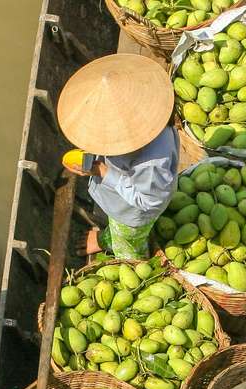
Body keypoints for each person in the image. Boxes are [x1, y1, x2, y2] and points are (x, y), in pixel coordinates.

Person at [56, 54, 178, 261]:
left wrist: (103, 172)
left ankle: (133, 258)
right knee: (117, 227)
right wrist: (92, 157)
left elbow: (149, 201)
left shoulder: (152, 163)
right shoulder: (154, 124)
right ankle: (108, 238)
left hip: (133, 214)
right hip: (123, 201)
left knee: (129, 245)